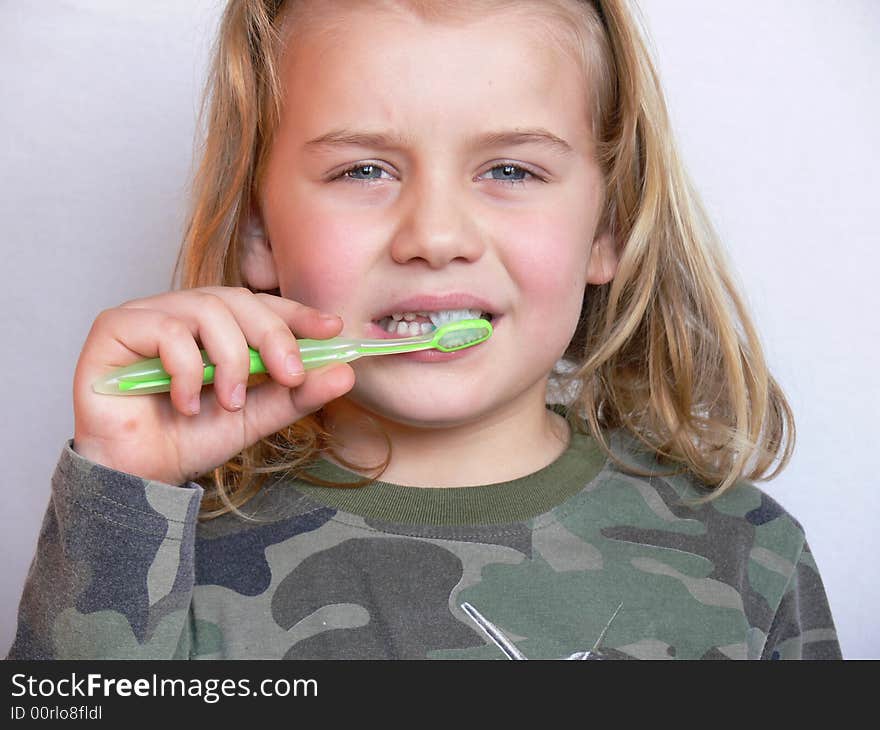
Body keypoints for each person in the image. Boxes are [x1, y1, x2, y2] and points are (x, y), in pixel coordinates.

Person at [8, 0, 841, 660]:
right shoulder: (152, 552)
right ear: (259, 230)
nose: (436, 236)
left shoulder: (747, 562)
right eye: (363, 169)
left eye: (511, 170)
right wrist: (120, 494)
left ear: (607, 226)